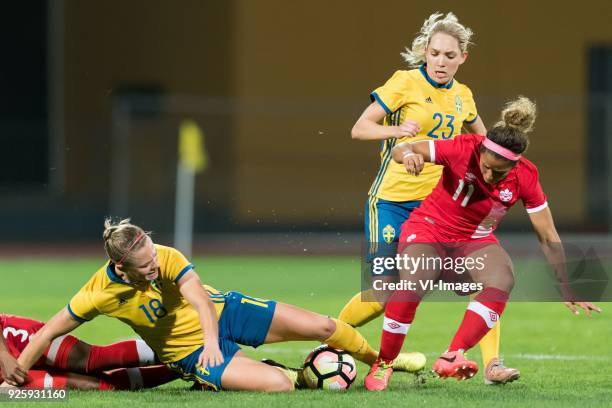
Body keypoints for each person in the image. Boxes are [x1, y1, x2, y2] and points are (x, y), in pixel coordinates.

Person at [2, 218, 421, 393]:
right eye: (144, 266)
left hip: (224, 314)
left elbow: (200, 299)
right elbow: (50, 329)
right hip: (187, 354)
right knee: (280, 387)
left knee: (326, 328)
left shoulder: (164, 255)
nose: (154, 266)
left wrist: (212, 341)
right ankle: (292, 373)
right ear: (120, 267)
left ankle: (380, 362)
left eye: (153, 256)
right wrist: (19, 371)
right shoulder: (97, 293)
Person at [363, 96, 602, 391]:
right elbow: (405, 147)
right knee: (413, 283)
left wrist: (565, 284)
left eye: (498, 173)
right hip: (429, 228)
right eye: (486, 167)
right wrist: (407, 155)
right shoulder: (464, 146)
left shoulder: (526, 175)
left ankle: (453, 354)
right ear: (482, 150)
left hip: (473, 241)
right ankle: (384, 362)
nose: (489, 176)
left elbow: (548, 235)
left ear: (515, 165)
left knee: (502, 278)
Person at [339, 11, 515, 384]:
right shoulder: (404, 82)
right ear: (425, 51)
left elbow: (486, 146)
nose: (440, 61)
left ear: (462, 58)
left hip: (442, 211)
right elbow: (359, 128)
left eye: (449, 55)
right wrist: (399, 131)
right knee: (385, 292)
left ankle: (492, 364)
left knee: (483, 282)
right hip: (393, 201)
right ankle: (332, 337)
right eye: (435, 53)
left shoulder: (463, 96)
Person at [0, 313, 177, 390]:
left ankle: (183, 350)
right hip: (3, 386)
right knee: (95, 387)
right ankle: (183, 369)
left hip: (9, 338)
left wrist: (4, 356)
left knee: (91, 359)